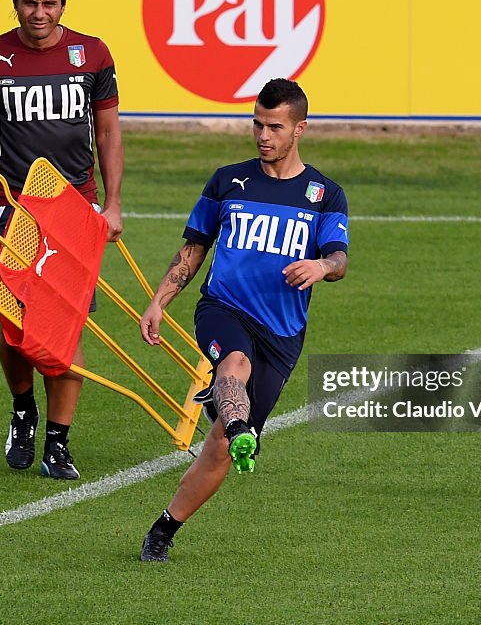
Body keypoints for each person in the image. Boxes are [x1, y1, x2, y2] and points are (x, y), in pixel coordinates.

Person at [136, 78, 349, 561]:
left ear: (300, 129)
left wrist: (320, 265)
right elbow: (193, 249)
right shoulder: (227, 180)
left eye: (274, 126)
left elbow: (339, 260)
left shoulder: (325, 195)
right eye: (257, 123)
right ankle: (237, 425)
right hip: (223, 308)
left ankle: (164, 529)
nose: (262, 135)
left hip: (283, 333)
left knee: (216, 451)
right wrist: (158, 301)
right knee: (233, 362)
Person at [0, 0, 124, 481]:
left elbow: (110, 132)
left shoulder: (92, 54)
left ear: (63, 5)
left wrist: (112, 204)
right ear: (16, 4)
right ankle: (23, 410)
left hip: (75, 209)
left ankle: (58, 442)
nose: (39, 13)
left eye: (49, 3)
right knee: (16, 326)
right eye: (30, 2)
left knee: (66, 329)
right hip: (14, 209)